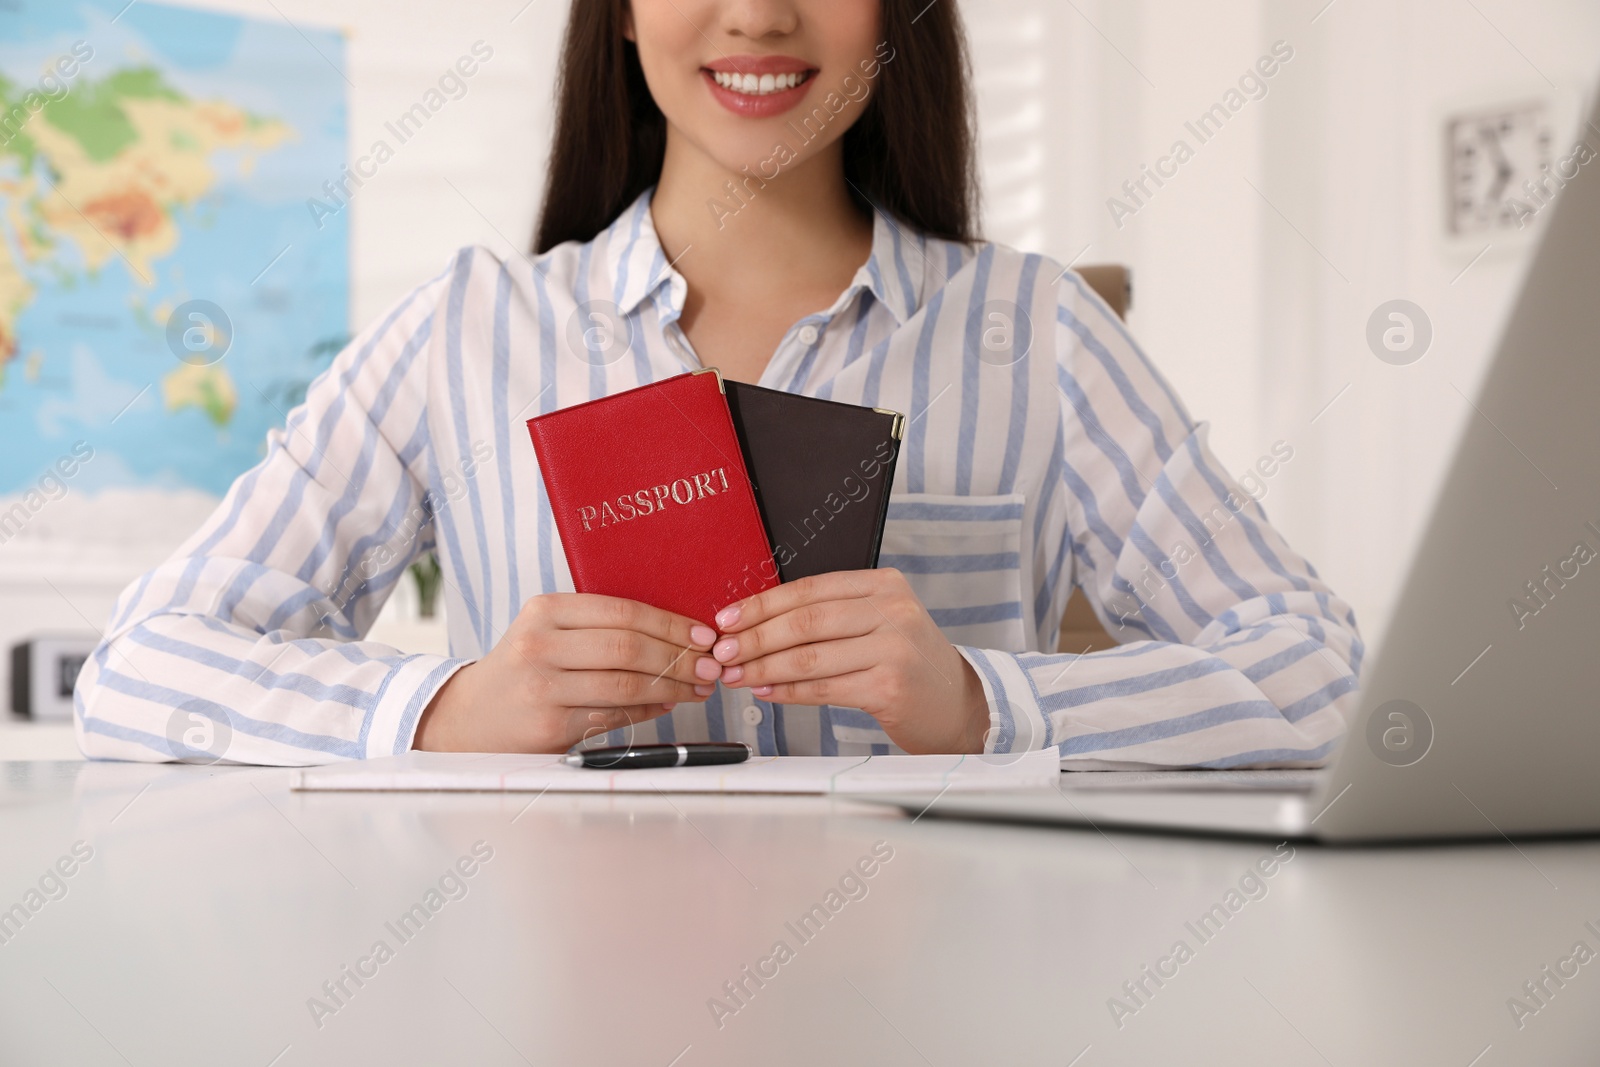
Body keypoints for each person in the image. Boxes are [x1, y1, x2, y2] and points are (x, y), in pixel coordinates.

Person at [75, 0, 1362, 767]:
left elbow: (1323, 678)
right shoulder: (463, 331)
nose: (756, 13)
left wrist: (980, 698)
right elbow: (141, 667)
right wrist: (446, 706)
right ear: (623, 8)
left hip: (942, 993)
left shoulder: (1040, 332)